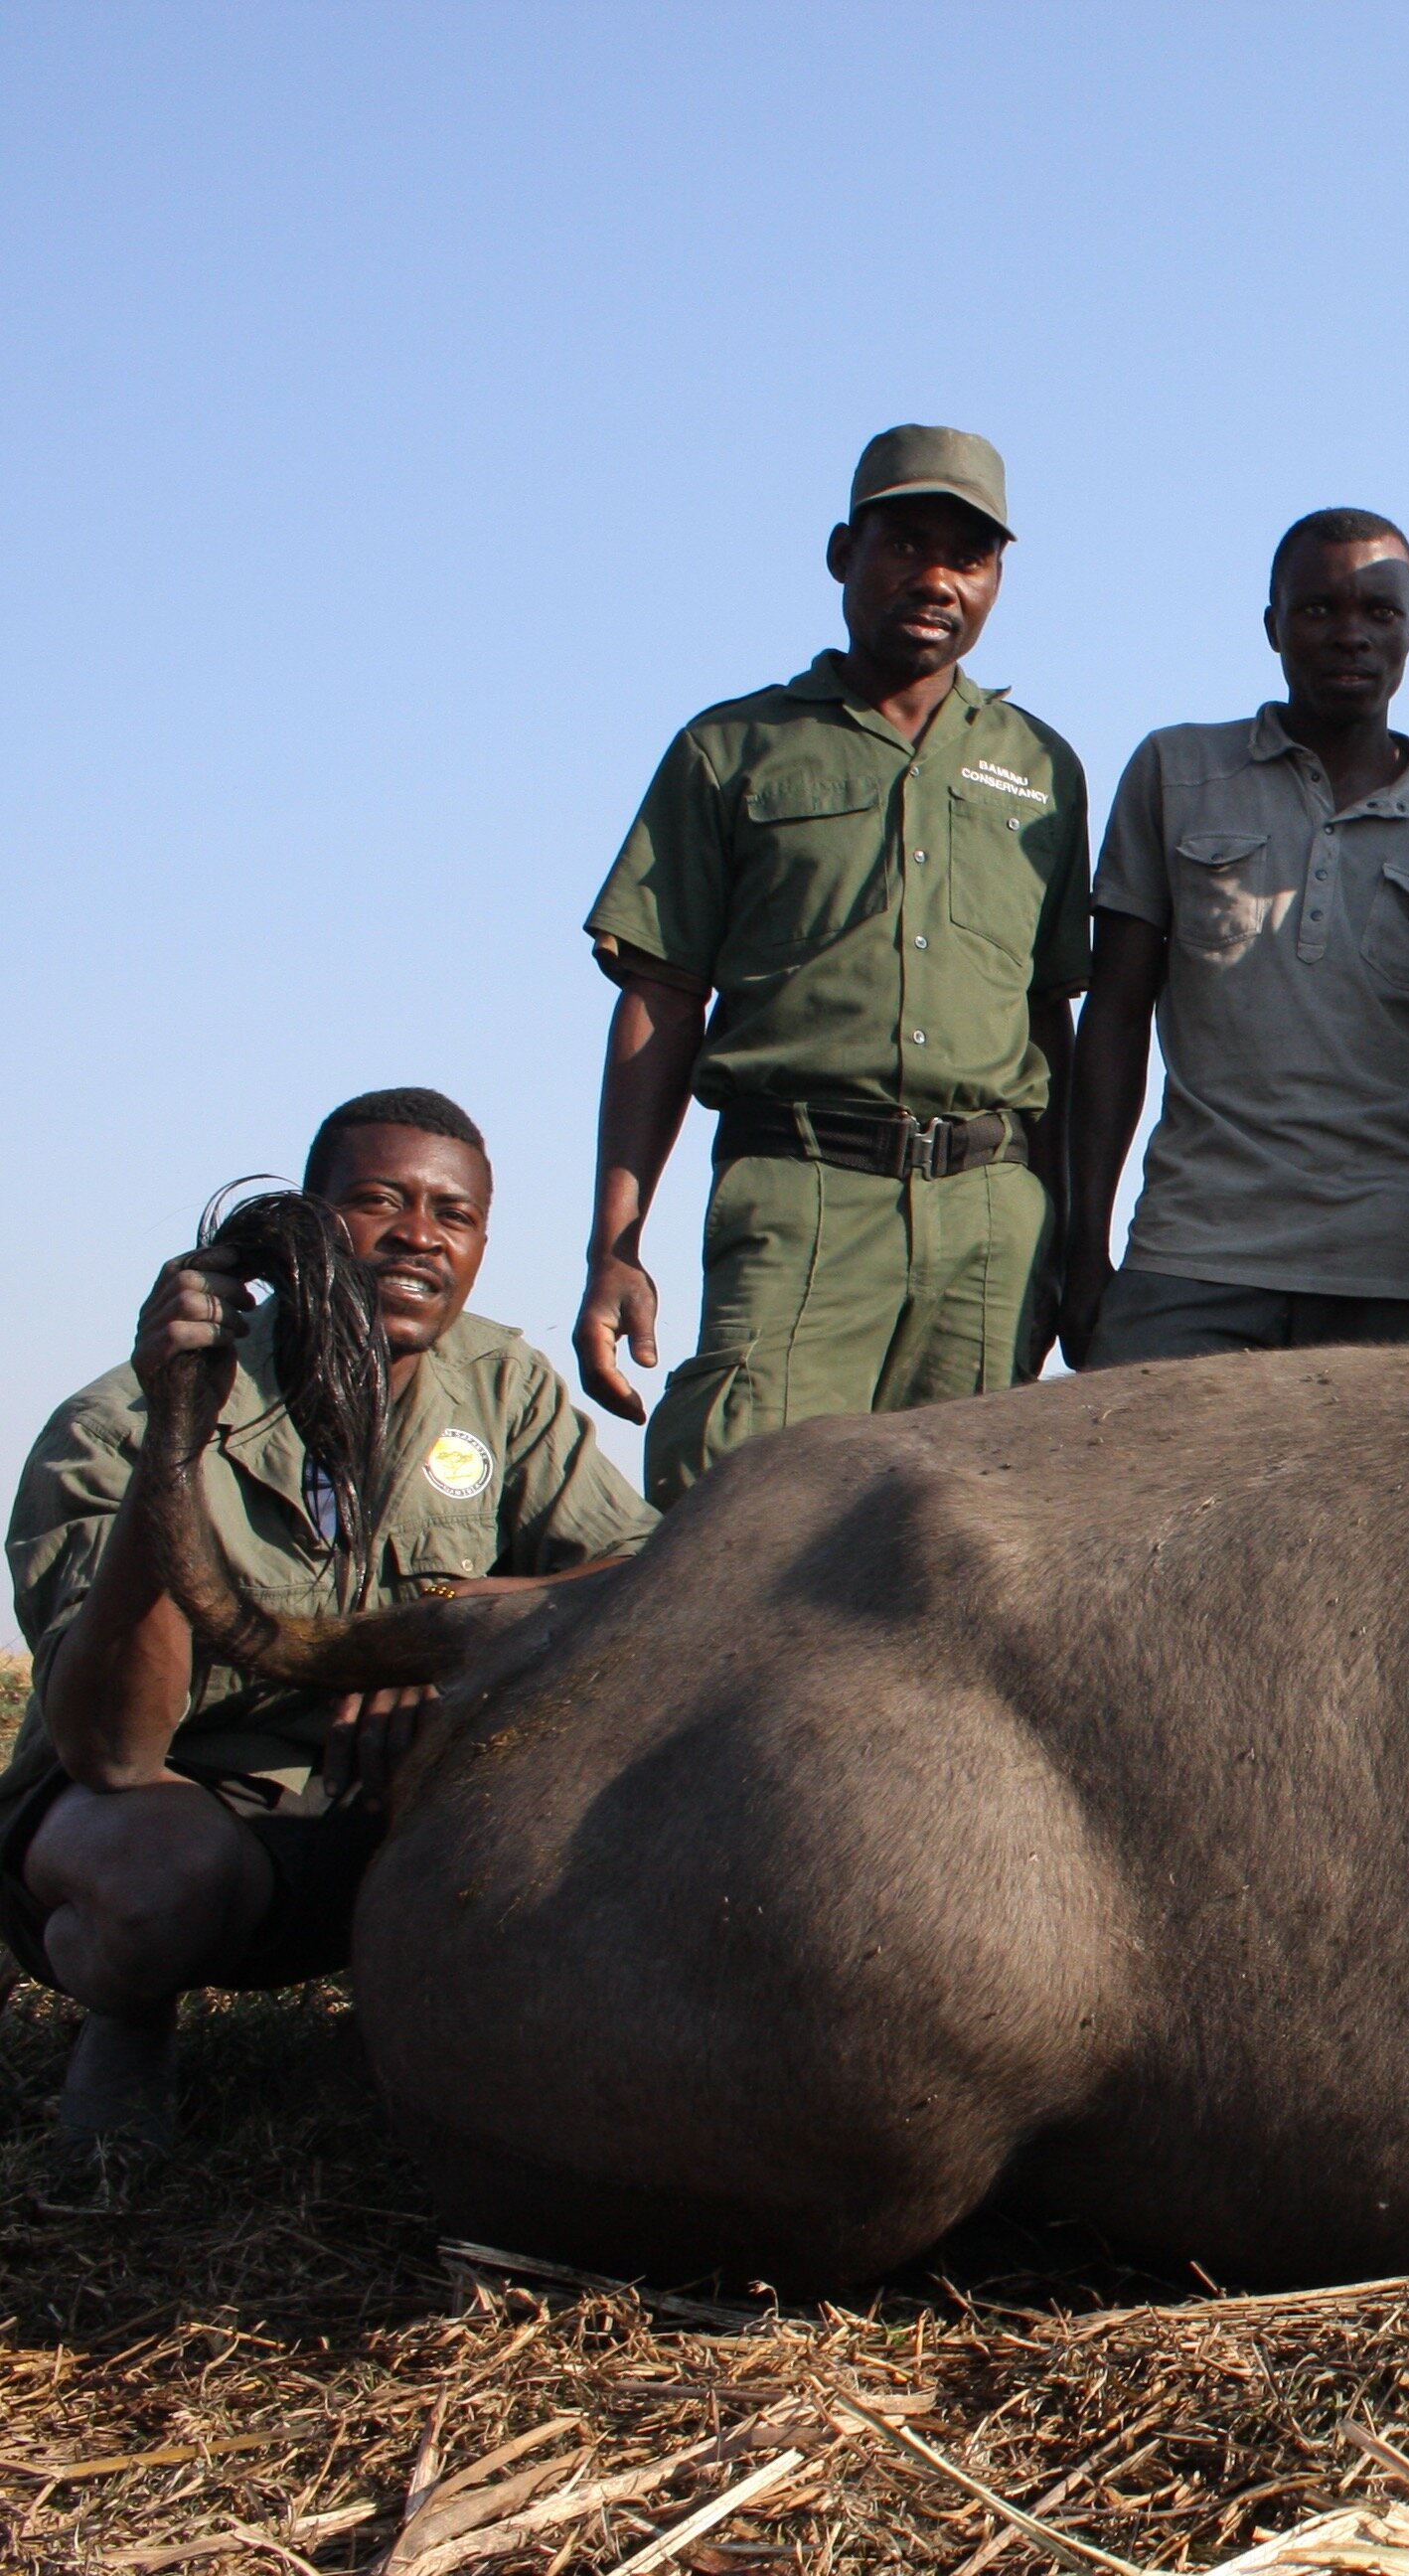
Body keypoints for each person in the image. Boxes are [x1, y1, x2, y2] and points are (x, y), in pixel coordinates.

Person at [4, 1092, 653, 2145]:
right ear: (306, 1221)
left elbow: (642, 1569)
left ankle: (389, 2038)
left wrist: (444, 1625)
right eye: (377, 1200)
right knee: (157, 1887)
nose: (419, 1234)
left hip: (390, 1802)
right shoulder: (115, 1421)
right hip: (172, 1800)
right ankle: (126, 2013)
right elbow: (114, 1751)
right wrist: (181, 1428)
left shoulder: (502, 1387)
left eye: (454, 1214)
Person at [574, 426, 1091, 1504]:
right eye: (906, 542)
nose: (937, 579)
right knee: (742, 1521)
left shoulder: (1043, 767)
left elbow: (1051, 1022)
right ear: (841, 553)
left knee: (973, 1544)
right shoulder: (734, 749)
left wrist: (1068, 1241)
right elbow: (661, 999)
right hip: (802, 1190)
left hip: (991, 1221)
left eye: (971, 555)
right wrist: (613, 1245)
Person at [1063, 510, 1409, 1362]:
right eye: (1318, 609)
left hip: (1401, 1273)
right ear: (1273, 624)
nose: (1351, 635)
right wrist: (1082, 1245)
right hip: (1193, 1253)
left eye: (1379, 613)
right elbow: (1114, 1019)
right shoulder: (1176, 774)